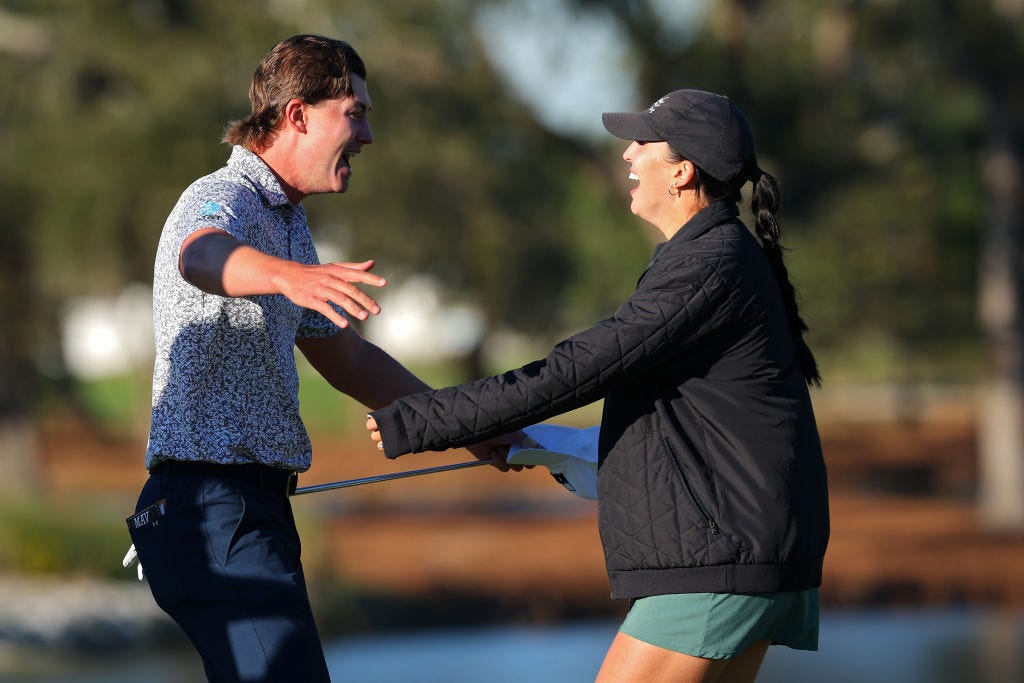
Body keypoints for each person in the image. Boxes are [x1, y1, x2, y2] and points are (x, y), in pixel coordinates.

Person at [367, 89, 830, 682]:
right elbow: (683, 424)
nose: (627, 156)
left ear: (682, 172)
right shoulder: (716, 256)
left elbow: (577, 368)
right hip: (744, 559)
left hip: (720, 565)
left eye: (643, 144)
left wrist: (425, 419)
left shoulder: (708, 263)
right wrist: (542, 442)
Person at [126, 34, 512, 683]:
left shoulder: (289, 225)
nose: (368, 135)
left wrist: (469, 427)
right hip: (212, 513)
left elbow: (353, 365)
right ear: (298, 114)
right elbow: (202, 254)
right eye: (354, 113)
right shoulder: (225, 195)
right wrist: (285, 277)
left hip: (251, 517)